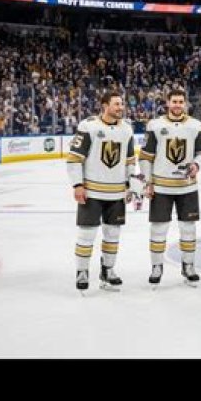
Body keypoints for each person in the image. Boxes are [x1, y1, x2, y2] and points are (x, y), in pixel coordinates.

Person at [66, 90, 136, 292]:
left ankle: (108, 270)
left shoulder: (127, 130)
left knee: (113, 234)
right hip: (93, 192)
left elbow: (130, 161)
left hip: (117, 192)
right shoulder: (88, 126)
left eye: (121, 104)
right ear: (105, 106)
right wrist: (77, 185)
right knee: (86, 233)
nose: (121, 107)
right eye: (116, 104)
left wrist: (130, 186)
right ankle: (82, 271)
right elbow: (74, 158)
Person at [138, 89, 201, 287]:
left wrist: (196, 165)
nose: (177, 105)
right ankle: (156, 267)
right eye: (174, 101)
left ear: (185, 103)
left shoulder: (195, 125)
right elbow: (145, 157)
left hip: (187, 187)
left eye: (180, 101)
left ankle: (188, 266)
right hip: (161, 187)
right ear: (167, 103)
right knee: (158, 229)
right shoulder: (155, 125)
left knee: (188, 228)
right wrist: (148, 182)